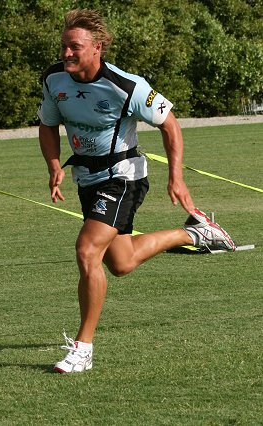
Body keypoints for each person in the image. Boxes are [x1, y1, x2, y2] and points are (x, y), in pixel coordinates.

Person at [38, 8, 236, 373]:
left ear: (97, 47)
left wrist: (175, 177)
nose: (66, 53)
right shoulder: (53, 80)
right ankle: (194, 232)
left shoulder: (127, 85)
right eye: (64, 46)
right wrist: (54, 166)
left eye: (75, 47)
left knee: (86, 250)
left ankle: (83, 348)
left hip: (124, 176)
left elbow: (170, 125)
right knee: (121, 262)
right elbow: (48, 125)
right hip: (87, 179)